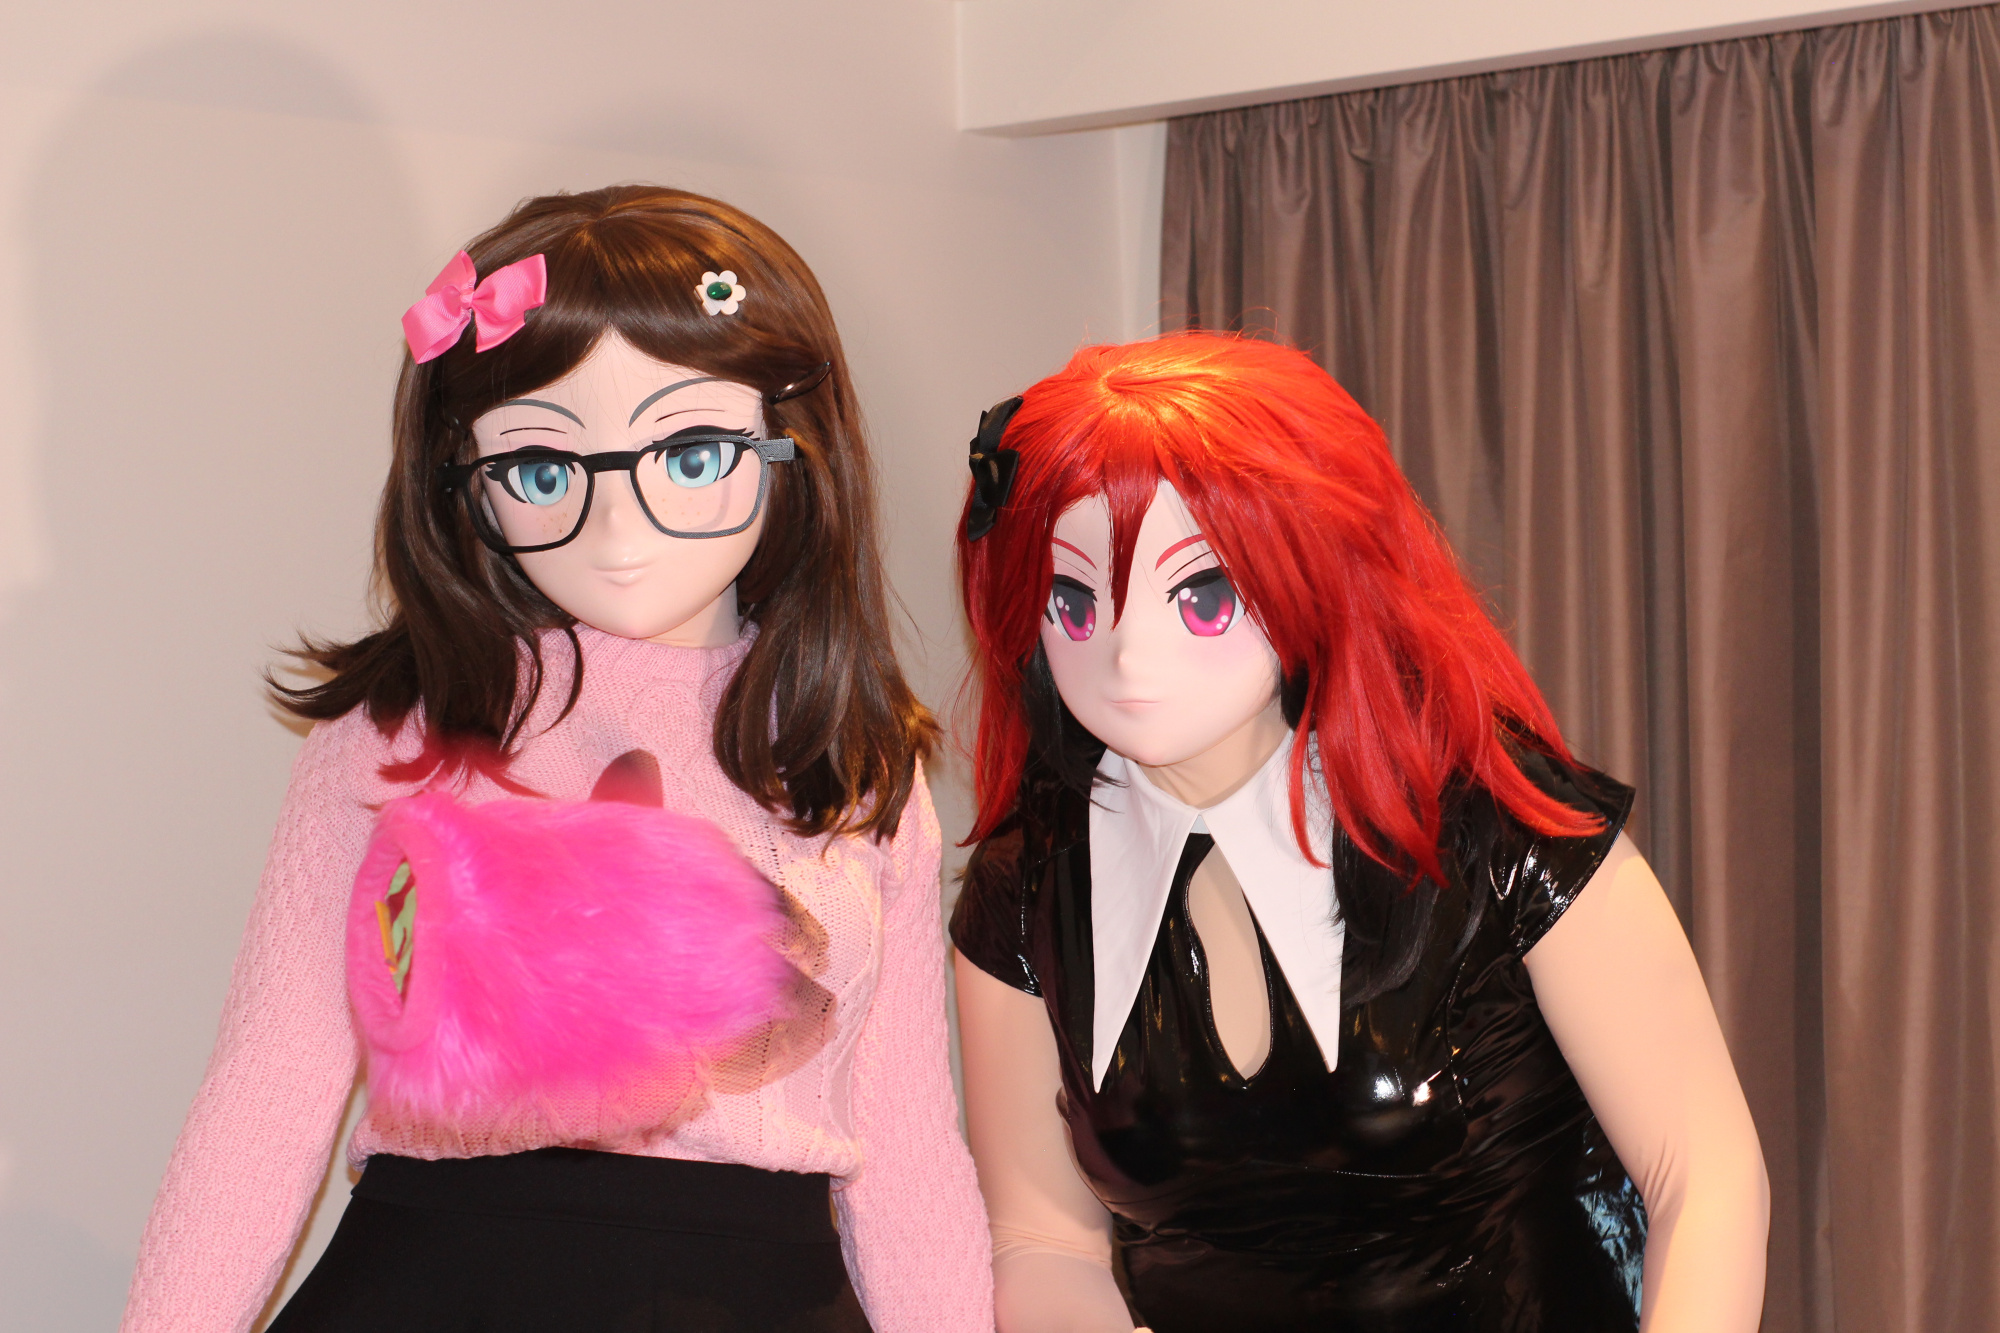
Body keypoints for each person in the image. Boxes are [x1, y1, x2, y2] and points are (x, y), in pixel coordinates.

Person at [122, 185, 990, 1333]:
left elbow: (908, 1146)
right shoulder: (397, 732)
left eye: (689, 453)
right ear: (462, 476)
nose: (616, 525)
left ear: (792, 451)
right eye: (541, 467)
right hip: (431, 1288)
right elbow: (269, 1088)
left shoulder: (851, 757)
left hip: (763, 1292)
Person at [949, 333, 1769, 1333]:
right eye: (1073, 602)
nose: (1126, 655)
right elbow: (1041, 1239)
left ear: (1309, 567)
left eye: (1199, 595)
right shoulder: (1026, 887)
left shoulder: (1496, 828)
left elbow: (1703, 1172)